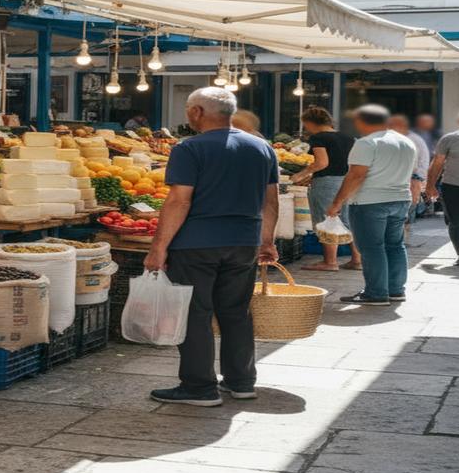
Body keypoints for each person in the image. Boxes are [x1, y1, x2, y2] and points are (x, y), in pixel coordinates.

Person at [144, 87, 279, 407]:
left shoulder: (189, 149)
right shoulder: (262, 147)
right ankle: (241, 381)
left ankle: (199, 387)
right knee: (236, 313)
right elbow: (270, 201)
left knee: (195, 315)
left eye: (189, 110)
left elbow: (179, 201)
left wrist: (158, 248)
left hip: (196, 244)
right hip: (244, 241)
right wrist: (267, 240)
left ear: (197, 113)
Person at [327, 104, 417, 305]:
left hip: (370, 202)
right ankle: (395, 290)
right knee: (395, 245)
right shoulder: (406, 142)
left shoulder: (366, 143)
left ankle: (376, 293)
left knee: (371, 247)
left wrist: (337, 202)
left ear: (361, 121)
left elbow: (356, 175)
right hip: (400, 198)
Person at [293, 106, 360, 271]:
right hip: (347, 181)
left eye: (305, 124)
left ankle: (330, 262)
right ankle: (357, 259)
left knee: (327, 219)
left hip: (327, 183)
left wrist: (301, 174)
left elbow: (322, 163)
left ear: (309, 122)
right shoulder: (348, 137)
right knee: (347, 220)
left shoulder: (319, 138)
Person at [425, 110, 459, 267]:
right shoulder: (450, 139)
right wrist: (430, 185)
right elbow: (437, 163)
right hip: (453, 187)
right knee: (456, 223)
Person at [390, 114, 430, 228]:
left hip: (412, 179)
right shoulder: (402, 138)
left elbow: (416, 163)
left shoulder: (411, 139)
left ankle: (403, 237)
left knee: (406, 211)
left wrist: (419, 179)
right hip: (407, 179)